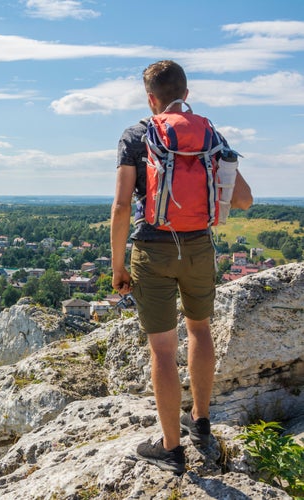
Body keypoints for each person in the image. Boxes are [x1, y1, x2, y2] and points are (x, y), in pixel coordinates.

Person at [110, 60, 253, 474]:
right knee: (200, 330)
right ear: (186, 94)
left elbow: (121, 206)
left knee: (162, 348)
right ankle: (201, 422)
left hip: (152, 250)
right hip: (198, 247)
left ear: (150, 98)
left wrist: (118, 265)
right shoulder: (211, 134)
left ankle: (171, 448)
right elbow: (243, 199)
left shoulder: (137, 134)